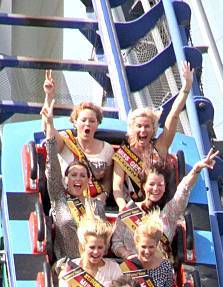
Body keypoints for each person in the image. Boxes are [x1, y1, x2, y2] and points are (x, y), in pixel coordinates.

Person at [112, 61, 194, 210]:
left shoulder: (160, 147)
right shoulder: (123, 155)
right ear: (132, 129)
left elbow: (174, 115)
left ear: (153, 129)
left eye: (147, 126)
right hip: (133, 208)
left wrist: (186, 88)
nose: (143, 130)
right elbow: (116, 187)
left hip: (158, 208)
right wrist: (125, 210)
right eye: (139, 126)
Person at [111, 148, 219, 260]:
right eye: (151, 184)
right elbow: (116, 243)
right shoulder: (129, 210)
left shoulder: (170, 211)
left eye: (160, 185)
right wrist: (127, 255)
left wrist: (196, 169)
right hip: (131, 269)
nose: (155, 189)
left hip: (159, 270)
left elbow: (184, 189)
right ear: (143, 186)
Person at [41, 99, 107, 260]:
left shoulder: (97, 206)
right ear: (66, 179)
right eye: (73, 175)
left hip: (93, 268)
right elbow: (52, 167)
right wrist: (49, 123)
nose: (78, 179)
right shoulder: (59, 199)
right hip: (67, 267)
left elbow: (105, 241)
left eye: (83, 176)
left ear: (88, 180)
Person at [43, 70, 113, 202]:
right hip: (65, 201)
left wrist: (100, 199)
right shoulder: (66, 140)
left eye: (92, 121)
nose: (87, 124)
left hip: (93, 204)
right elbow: (50, 140)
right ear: (75, 122)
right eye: (83, 120)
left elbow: (107, 181)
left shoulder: (107, 149)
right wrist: (49, 97)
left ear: (97, 124)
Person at [57, 212, 122, 287]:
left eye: (100, 247)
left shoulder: (114, 269)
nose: (96, 252)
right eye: (92, 247)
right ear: (83, 246)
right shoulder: (69, 269)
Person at [120, 210, 174, 287]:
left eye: (151, 247)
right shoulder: (128, 266)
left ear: (157, 245)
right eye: (143, 247)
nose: (147, 251)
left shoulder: (166, 266)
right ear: (136, 244)